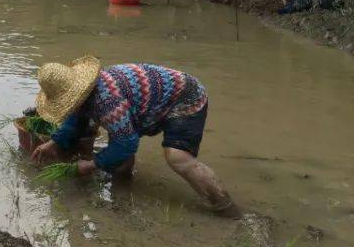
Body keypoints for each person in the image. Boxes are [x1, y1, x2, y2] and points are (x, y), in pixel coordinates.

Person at [30, 57, 238, 216]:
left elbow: (126, 144)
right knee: (119, 155)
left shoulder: (107, 101)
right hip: (146, 104)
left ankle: (225, 207)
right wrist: (53, 142)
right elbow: (75, 120)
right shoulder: (85, 93)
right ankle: (123, 195)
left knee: (178, 157)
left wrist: (89, 165)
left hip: (185, 97)